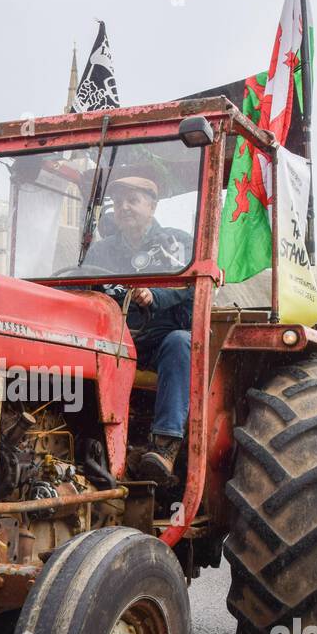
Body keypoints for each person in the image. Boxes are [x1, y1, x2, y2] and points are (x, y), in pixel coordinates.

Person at [88, 167, 193, 484]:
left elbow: (193, 284)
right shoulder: (101, 250)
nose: (124, 208)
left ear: (152, 206)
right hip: (113, 339)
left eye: (132, 200)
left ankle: (165, 446)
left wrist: (155, 295)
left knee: (180, 342)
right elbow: (85, 283)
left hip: (158, 340)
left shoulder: (178, 243)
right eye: (118, 202)